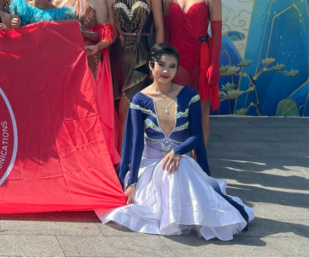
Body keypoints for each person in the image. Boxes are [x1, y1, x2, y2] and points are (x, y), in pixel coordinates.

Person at [98, 43, 253, 240]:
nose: (166, 71)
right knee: (168, 174)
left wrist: (177, 151)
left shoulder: (189, 95)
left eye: (172, 66)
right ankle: (174, 216)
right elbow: (136, 142)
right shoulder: (139, 99)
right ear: (151, 65)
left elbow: (196, 136)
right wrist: (132, 181)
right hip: (150, 166)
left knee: (179, 169)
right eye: (161, 65)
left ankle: (191, 215)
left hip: (181, 162)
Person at [64, 0, 120, 164]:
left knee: (89, 105)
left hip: (90, 57)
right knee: (68, 106)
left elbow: (107, 36)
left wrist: (85, 35)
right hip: (65, 61)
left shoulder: (97, 1)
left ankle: (93, 155)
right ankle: (71, 153)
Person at [164, 0, 222, 145]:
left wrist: (214, 64)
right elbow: (166, 33)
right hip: (175, 60)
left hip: (200, 58)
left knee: (200, 110)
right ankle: (177, 155)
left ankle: (199, 158)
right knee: (176, 110)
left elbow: (217, 33)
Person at [107, 0, 164, 147]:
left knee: (127, 109)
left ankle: (128, 157)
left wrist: (158, 61)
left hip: (141, 57)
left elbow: (159, 28)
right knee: (117, 110)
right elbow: (111, 33)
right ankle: (119, 155)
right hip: (117, 58)